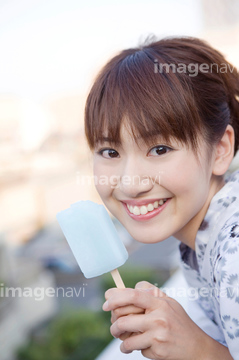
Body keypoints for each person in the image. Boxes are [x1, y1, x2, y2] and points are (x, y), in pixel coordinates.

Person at [84, 36, 239, 359]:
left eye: (159, 149)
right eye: (110, 151)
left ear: (220, 149)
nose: (130, 183)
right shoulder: (204, 240)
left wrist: (201, 351)